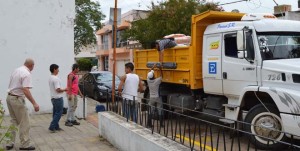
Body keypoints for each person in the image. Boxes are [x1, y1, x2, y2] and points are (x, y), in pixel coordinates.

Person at [6, 58, 40, 150]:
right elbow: (25, 89)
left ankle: (9, 142)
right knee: (24, 122)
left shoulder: (16, 70)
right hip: (17, 99)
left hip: (9, 97)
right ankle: (25, 144)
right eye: (33, 65)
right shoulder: (26, 73)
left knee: (13, 121)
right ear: (31, 65)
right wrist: (34, 103)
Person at [48, 64, 67, 132]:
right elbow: (58, 89)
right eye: (57, 69)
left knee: (55, 113)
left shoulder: (51, 77)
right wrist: (65, 89)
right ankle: (52, 126)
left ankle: (56, 126)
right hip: (57, 98)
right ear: (54, 69)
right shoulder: (55, 79)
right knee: (59, 112)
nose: (58, 70)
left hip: (53, 98)